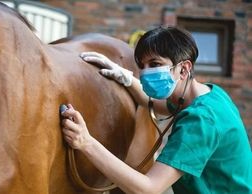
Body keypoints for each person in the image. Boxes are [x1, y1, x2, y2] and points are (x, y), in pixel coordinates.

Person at [60, 26, 252, 194]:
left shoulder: (201, 122)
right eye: (141, 66)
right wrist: (125, 78)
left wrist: (86, 143)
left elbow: (148, 189)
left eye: (155, 64)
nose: (145, 73)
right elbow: (157, 103)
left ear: (184, 69)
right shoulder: (210, 95)